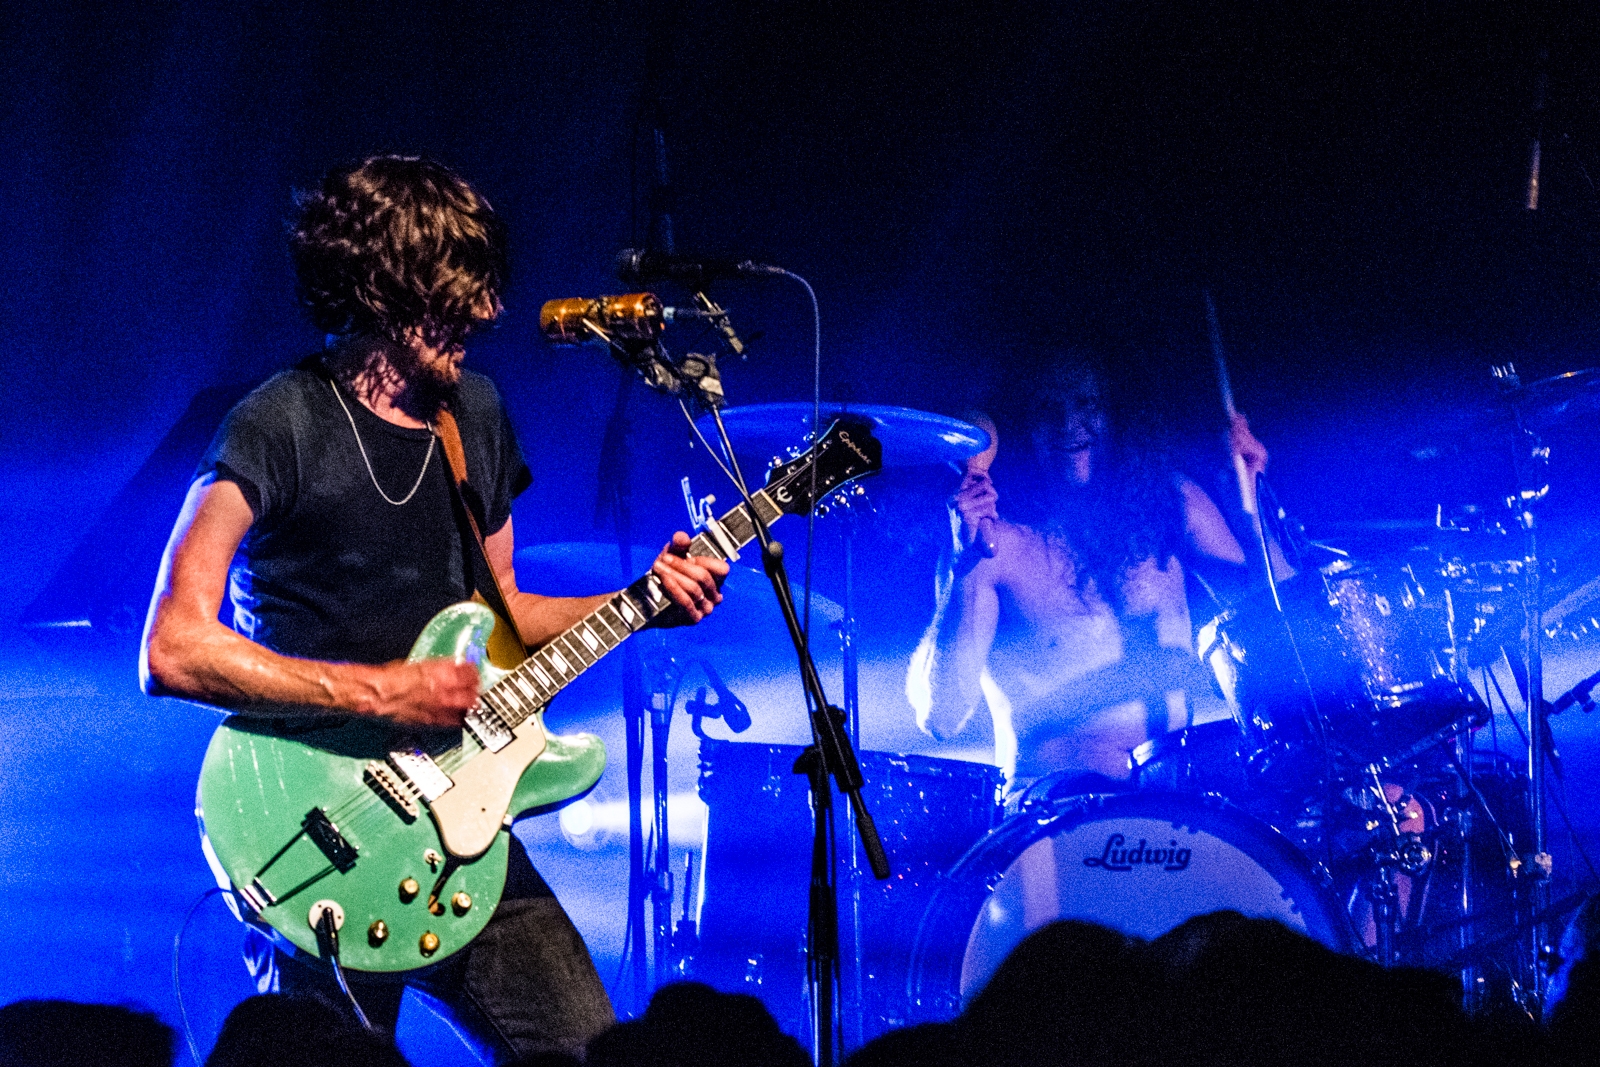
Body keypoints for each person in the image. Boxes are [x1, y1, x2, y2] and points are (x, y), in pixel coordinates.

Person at [140, 155, 729, 1060]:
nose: (489, 313)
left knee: (589, 1050)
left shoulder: (476, 416)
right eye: (464, 289)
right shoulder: (277, 421)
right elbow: (172, 647)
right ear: (382, 287)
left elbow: (505, 617)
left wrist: (640, 601)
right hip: (320, 825)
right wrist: (386, 694)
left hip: (467, 826)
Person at [907, 355, 1284, 787]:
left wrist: (1253, 514)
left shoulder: (1168, 504)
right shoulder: (996, 545)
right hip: (1051, 819)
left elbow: (1281, 627)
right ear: (1023, 425)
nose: (1069, 422)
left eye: (1088, 405)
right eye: (1049, 408)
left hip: (1177, 809)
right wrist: (964, 567)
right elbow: (941, 717)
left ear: (1117, 416)